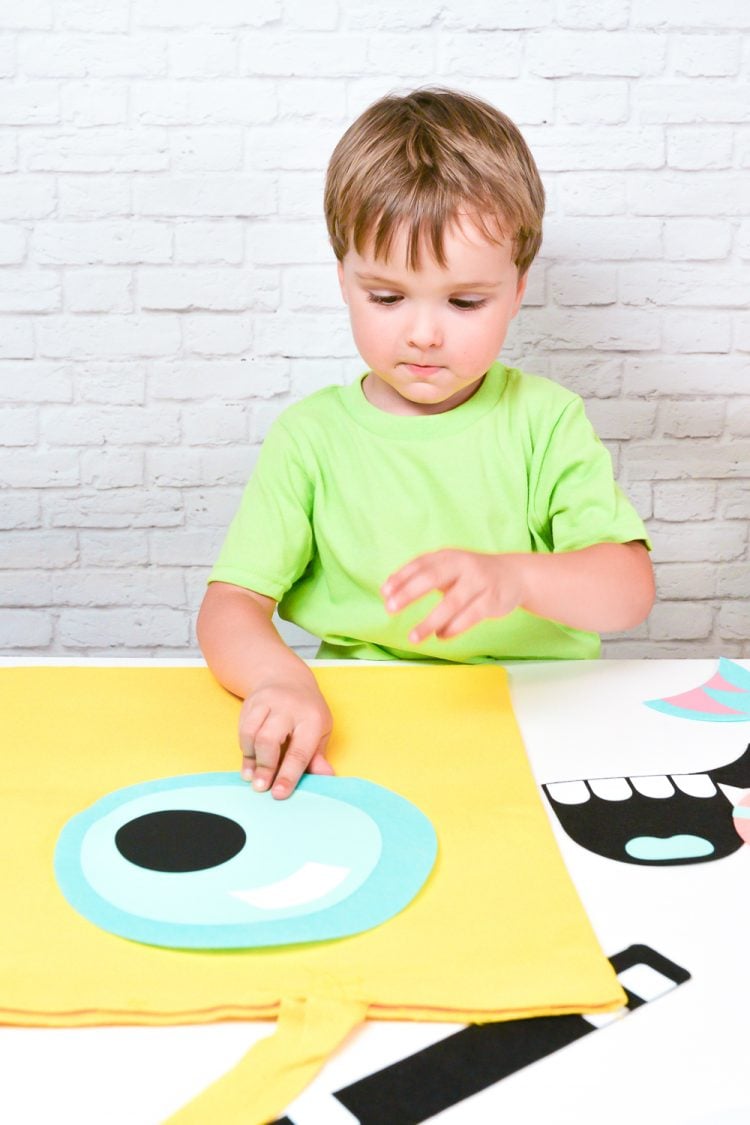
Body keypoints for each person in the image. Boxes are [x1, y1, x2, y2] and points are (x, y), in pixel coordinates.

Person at [197, 87, 655, 800]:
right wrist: (281, 679)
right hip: (359, 722)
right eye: (387, 297)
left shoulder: (546, 420)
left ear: (518, 289)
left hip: (546, 720)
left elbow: (629, 592)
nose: (423, 334)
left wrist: (519, 578)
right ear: (343, 280)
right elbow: (230, 605)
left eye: (464, 301)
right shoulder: (311, 437)